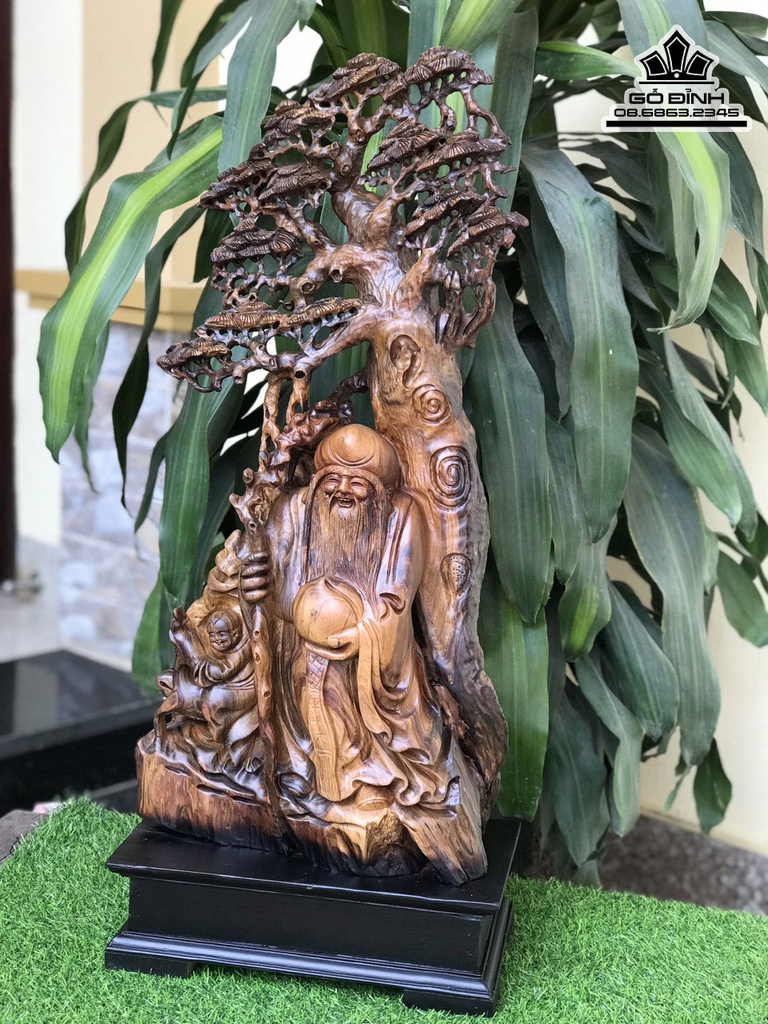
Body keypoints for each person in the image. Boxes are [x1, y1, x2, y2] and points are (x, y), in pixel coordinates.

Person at [250, 423, 487, 883]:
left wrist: (362, 637)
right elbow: (272, 580)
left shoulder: (402, 517)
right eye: (332, 479)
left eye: (357, 482)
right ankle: (314, 775)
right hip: (301, 642)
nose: (342, 490)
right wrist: (259, 586)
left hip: (374, 652)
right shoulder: (297, 510)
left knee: (347, 685)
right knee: (307, 679)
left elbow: (397, 597)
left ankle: (366, 778)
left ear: (379, 489)